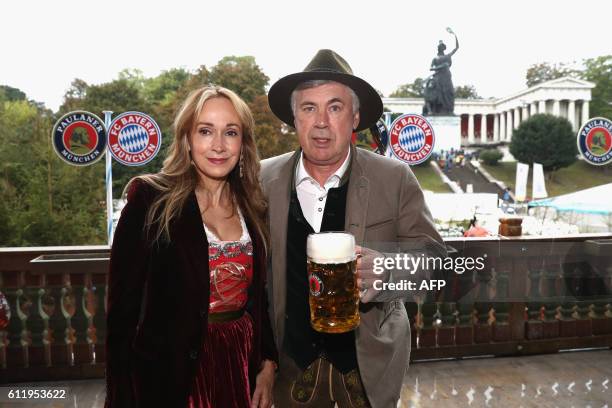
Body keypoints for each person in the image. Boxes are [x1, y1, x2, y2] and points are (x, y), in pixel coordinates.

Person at [262, 49, 446, 408]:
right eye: (308, 108)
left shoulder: (394, 179)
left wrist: (389, 270)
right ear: (294, 118)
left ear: (355, 117)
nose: (320, 122)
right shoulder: (260, 179)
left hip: (368, 377)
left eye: (334, 107)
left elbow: (436, 266)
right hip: (287, 376)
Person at [105, 86, 278, 408]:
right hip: (171, 371)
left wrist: (267, 363)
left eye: (231, 132)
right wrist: (121, 396)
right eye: (205, 131)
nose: (218, 145)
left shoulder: (252, 206)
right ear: (187, 139)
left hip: (239, 360)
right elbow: (121, 315)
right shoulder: (150, 200)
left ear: (243, 143)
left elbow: (258, 299)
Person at [426, 28, 459, 115]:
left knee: (450, 93)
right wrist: (441, 66)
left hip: (447, 77)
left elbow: (456, 48)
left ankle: (449, 111)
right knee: (438, 95)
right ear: (438, 48)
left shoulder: (448, 56)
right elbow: (430, 68)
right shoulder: (435, 58)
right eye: (440, 47)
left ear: (444, 48)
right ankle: (436, 110)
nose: (441, 48)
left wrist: (455, 35)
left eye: (442, 46)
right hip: (438, 78)